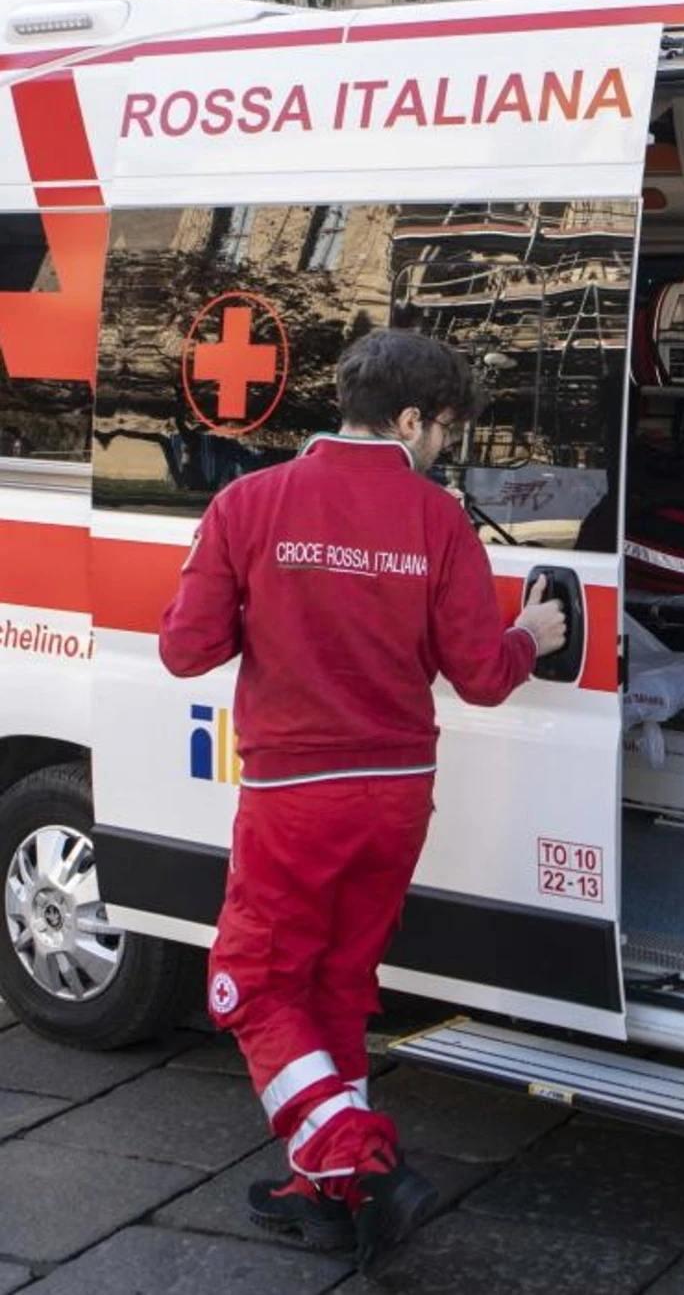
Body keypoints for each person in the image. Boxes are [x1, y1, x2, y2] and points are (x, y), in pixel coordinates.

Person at [158, 331, 568, 1273]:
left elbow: (185, 650)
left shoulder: (248, 503)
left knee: (252, 984)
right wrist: (530, 636)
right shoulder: (439, 524)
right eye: (444, 433)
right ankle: (328, 1191)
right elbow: (481, 678)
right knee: (335, 984)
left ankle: (351, 1156)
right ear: (413, 418)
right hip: (394, 797)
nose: (443, 452)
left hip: (293, 795)